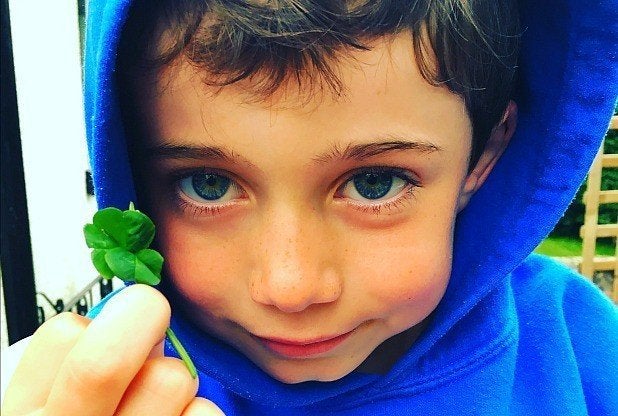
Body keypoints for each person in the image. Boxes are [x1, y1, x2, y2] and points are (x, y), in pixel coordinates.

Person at [2, 0, 617, 414]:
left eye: (374, 183)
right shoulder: (92, 379)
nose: (290, 287)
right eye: (207, 185)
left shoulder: (582, 349)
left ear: (484, 155)